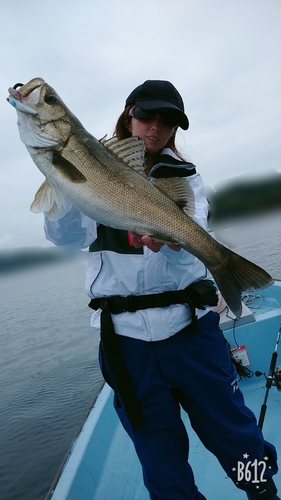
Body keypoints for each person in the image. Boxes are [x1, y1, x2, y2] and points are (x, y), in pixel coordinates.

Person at [44, 80, 279, 500]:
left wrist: (172, 243)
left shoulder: (187, 178)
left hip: (190, 331)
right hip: (126, 342)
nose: (156, 127)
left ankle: (262, 491)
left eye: (168, 121)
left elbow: (192, 253)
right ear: (128, 113)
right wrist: (60, 177)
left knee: (233, 430)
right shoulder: (93, 167)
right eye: (147, 116)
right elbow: (66, 237)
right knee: (159, 454)